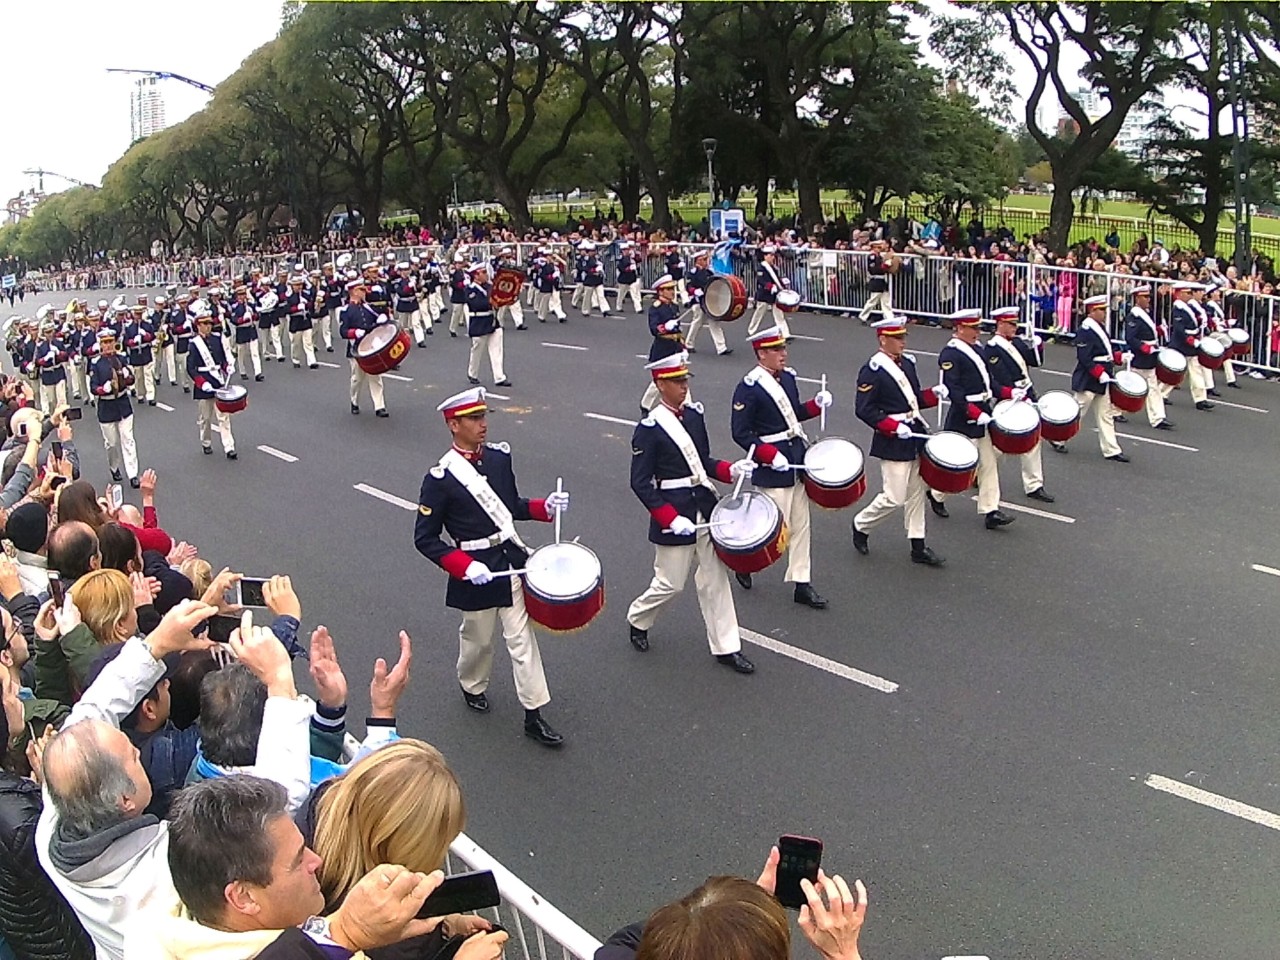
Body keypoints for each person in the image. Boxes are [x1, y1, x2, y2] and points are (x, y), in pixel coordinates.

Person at [35, 600, 220, 960]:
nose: (138, 753)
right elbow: (273, 811)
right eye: (133, 758)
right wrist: (280, 689)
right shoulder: (174, 867)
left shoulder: (52, 830)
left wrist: (156, 646)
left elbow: (92, 711)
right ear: (126, 802)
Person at [134, 775, 452, 960]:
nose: (317, 861)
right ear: (243, 897)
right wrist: (346, 933)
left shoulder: (162, 925)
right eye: (298, 859)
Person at [413, 388, 567, 747]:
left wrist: (546, 507)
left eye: (484, 417)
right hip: (476, 573)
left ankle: (534, 714)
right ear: (454, 425)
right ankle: (472, 684)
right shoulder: (441, 478)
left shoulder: (498, 459)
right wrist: (464, 567)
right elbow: (426, 538)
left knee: (521, 641)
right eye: (474, 419)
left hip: (510, 562)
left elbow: (509, 505)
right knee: (478, 642)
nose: (483, 425)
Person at [300, 741, 505, 960]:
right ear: (406, 842)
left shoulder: (308, 834)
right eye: (440, 842)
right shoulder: (390, 937)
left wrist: (444, 924)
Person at [625, 354, 757, 673]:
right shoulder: (649, 428)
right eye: (677, 381)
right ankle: (638, 617)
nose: (685, 387)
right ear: (660, 385)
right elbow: (640, 483)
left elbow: (704, 462)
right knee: (671, 583)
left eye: (686, 380)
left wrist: (731, 470)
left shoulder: (694, 417)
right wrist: (670, 518)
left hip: (704, 505)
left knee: (715, 578)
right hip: (675, 513)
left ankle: (726, 646)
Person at [729, 327, 832, 606]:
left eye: (784, 348)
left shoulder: (787, 378)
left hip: (796, 459)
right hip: (773, 466)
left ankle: (802, 582)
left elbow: (793, 413)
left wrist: (815, 405)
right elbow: (741, 432)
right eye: (776, 350)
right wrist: (767, 454)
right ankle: (745, 563)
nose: (783, 354)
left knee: (801, 525)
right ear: (761, 353)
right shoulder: (749, 387)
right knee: (774, 528)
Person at [0, 662, 96, 960]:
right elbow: (72, 865)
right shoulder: (18, 817)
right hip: (61, 945)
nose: (17, 698)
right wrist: (52, 791)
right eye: (7, 693)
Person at [850, 318, 946, 566]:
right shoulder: (872, 370)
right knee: (894, 497)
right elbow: (864, 409)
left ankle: (918, 544)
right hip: (892, 439)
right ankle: (861, 524)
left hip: (914, 433)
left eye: (904, 337)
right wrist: (893, 427)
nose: (903, 341)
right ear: (883, 339)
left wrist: (933, 394)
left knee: (917, 492)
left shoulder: (908, 364)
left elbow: (913, 400)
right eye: (898, 338)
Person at [936, 309, 1015, 530]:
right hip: (963, 416)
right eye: (973, 328)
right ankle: (936, 494)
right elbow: (955, 391)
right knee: (957, 465)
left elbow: (989, 382)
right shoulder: (950, 354)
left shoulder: (977, 349)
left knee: (988, 464)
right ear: (960, 328)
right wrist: (973, 413)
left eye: (978, 328)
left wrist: (1008, 393)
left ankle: (991, 511)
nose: (977, 332)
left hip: (982, 410)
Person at [984, 306, 1055, 502]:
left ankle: (1034, 484)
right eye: (1011, 324)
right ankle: (978, 473)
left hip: (1027, 393)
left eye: (1016, 323)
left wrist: (1037, 344)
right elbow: (999, 376)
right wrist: (1014, 393)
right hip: (1010, 398)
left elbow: (1035, 361)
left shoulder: (1015, 342)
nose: (1015, 327)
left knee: (1032, 439)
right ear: (1000, 324)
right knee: (998, 445)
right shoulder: (992, 348)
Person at [1072, 294, 1130, 462]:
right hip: (1089, 378)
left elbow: (1106, 351)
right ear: (1092, 311)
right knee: (1077, 412)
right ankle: (1057, 437)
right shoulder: (1085, 330)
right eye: (1101, 310)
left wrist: (1120, 357)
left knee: (1105, 414)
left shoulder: (1099, 327)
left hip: (1103, 375)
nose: (1104, 313)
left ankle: (1111, 449)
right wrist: (1099, 373)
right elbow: (1084, 357)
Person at [87, 329, 141, 487]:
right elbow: (93, 387)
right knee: (111, 443)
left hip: (123, 404)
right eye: (105, 342)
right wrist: (103, 389)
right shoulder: (96, 363)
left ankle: (133, 474)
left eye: (110, 341)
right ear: (100, 344)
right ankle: (114, 466)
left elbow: (131, 380)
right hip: (106, 406)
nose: (108, 345)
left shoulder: (122, 358)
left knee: (128, 439)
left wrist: (128, 376)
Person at [1122, 285, 1173, 430]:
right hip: (1140, 357)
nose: (1148, 299)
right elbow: (1130, 338)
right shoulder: (1134, 316)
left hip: (1149, 356)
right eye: (1145, 297)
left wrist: (1157, 332)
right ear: (1137, 299)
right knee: (1129, 388)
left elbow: (1148, 331)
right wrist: (1144, 347)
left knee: (1153, 388)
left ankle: (1158, 418)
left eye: (1149, 297)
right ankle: (1114, 410)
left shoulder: (1145, 314)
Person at [187, 310, 237, 459]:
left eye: (210, 323)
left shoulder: (217, 339)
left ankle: (229, 446)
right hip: (204, 383)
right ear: (198, 325)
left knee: (223, 416)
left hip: (218, 381)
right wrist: (201, 383)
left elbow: (222, 359)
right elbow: (191, 368)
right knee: (206, 418)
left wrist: (227, 367)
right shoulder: (194, 344)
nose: (208, 326)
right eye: (205, 324)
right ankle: (206, 442)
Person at [339, 278, 391, 418]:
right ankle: (354, 401)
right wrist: (354, 333)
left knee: (375, 377)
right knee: (357, 378)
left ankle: (379, 406)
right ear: (354, 292)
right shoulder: (346, 310)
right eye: (361, 289)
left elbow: (377, 322)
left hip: (371, 348)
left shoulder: (368, 308)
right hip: (355, 349)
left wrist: (382, 319)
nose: (364, 292)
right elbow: (343, 331)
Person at [640, 276, 685, 414]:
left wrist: (683, 347)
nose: (672, 292)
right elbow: (654, 329)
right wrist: (665, 326)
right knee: (661, 379)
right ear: (660, 291)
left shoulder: (674, 306)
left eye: (673, 289)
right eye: (669, 289)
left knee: (678, 376)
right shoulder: (656, 308)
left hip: (675, 347)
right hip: (663, 348)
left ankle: (685, 405)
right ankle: (645, 404)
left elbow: (678, 330)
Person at [464, 263, 512, 388]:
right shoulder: (470, 289)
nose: (486, 274)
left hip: (492, 321)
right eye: (483, 272)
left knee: (497, 351)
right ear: (476, 276)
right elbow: (477, 304)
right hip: (479, 322)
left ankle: (499, 377)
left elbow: (501, 296)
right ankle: (472, 373)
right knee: (477, 350)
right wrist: (494, 301)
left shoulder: (490, 287)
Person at [684, 250, 731, 356]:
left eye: (707, 259)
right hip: (698, 302)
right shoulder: (692, 273)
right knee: (697, 323)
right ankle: (689, 344)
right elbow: (688, 286)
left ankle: (721, 347)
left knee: (715, 323)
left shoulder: (709, 272)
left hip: (709, 302)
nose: (707, 261)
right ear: (698, 261)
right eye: (704, 259)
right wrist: (695, 291)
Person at [747, 245, 790, 337]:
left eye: (773, 255)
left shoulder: (774, 267)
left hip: (774, 294)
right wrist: (770, 286)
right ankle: (751, 330)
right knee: (759, 314)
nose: (772, 257)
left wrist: (783, 282)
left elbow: (777, 279)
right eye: (770, 255)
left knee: (779, 314)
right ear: (765, 256)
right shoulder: (761, 267)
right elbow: (761, 280)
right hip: (764, 294)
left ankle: (785, 333)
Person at [123, 304, 158, 407]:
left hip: (145, 351)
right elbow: (125, 341)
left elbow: (152, 337)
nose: (138, 316)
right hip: (135, 354)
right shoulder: (129, 327)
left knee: (148, 375)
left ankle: (151, 396)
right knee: (138, 376)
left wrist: (145, 335)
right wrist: (133, 341)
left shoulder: (147, 325)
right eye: (136, 314)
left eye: (140, 314)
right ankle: (140, 395)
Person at [32, 321, 69, 416]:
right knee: (51, 400)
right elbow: (36, 362)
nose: (50, 334)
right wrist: (45, 358)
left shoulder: (58, 343)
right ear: (44, 334)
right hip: (47, 374)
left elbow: (66, 356)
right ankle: (54, 416)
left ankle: (63, 416)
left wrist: (58, 353)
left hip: (58, 371)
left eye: (51, 331)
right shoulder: (40, 346)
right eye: (47, 332)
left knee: (61, 397)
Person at [857, 239, 897, 325]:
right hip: (876, 280)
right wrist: (884, 266)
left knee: (886, 301)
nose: (879, 249)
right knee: (873, 300)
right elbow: (873, 269)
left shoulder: (879, 256)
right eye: (878, 247)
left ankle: (889, 317)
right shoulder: (872, 257)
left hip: (882, 280)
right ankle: (863, 316)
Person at [230, 285, 266, 382]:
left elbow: (257, 315)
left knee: (255, 352)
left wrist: (253, 315)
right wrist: (242, 319)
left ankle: (258, 373)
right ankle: (242, 371)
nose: (242, 297)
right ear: (237, 296)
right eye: (240, 295)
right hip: (241, 330)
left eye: (243, 294)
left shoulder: (250, 305)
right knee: (241, 352)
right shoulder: (235, 306)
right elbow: (233, 320)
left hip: (251, 329)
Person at [284, 275, 319, 370]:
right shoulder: (289, 297)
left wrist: (307, 304)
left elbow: (311, 304)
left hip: (306, 321)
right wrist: (296, 308)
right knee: (296, 343)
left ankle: (312, 361)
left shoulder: (305, 295)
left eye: (300, 285)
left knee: (308, 342)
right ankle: (295, 359)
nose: (299, 287)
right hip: (295, 322)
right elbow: (286, 310)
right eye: (296, 285)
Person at [392, 261, 429, 346]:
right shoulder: (397, 281)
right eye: (404, 270)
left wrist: (420, 286)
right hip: (403, 304)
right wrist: (409, 286)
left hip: (413, 303)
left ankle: (420, 340)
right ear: (400, 271)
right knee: (403, 326)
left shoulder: (412, 279)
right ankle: (403, 342)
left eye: (407, 269)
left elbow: (417, 290)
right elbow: (401, 292)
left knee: (416, 323)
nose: (406, 272)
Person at [614, 240, 642, 313]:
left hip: (631, 278)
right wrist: (629, 268)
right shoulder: (620, 258)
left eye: (627, 249)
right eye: (625, 250)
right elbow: (621, 268)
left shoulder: (632, 257)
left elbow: (639, 261)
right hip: (623, 278)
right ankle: (618, 306)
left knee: (634, 294)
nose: (626, 251)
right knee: (621, 294)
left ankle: (638, 308)